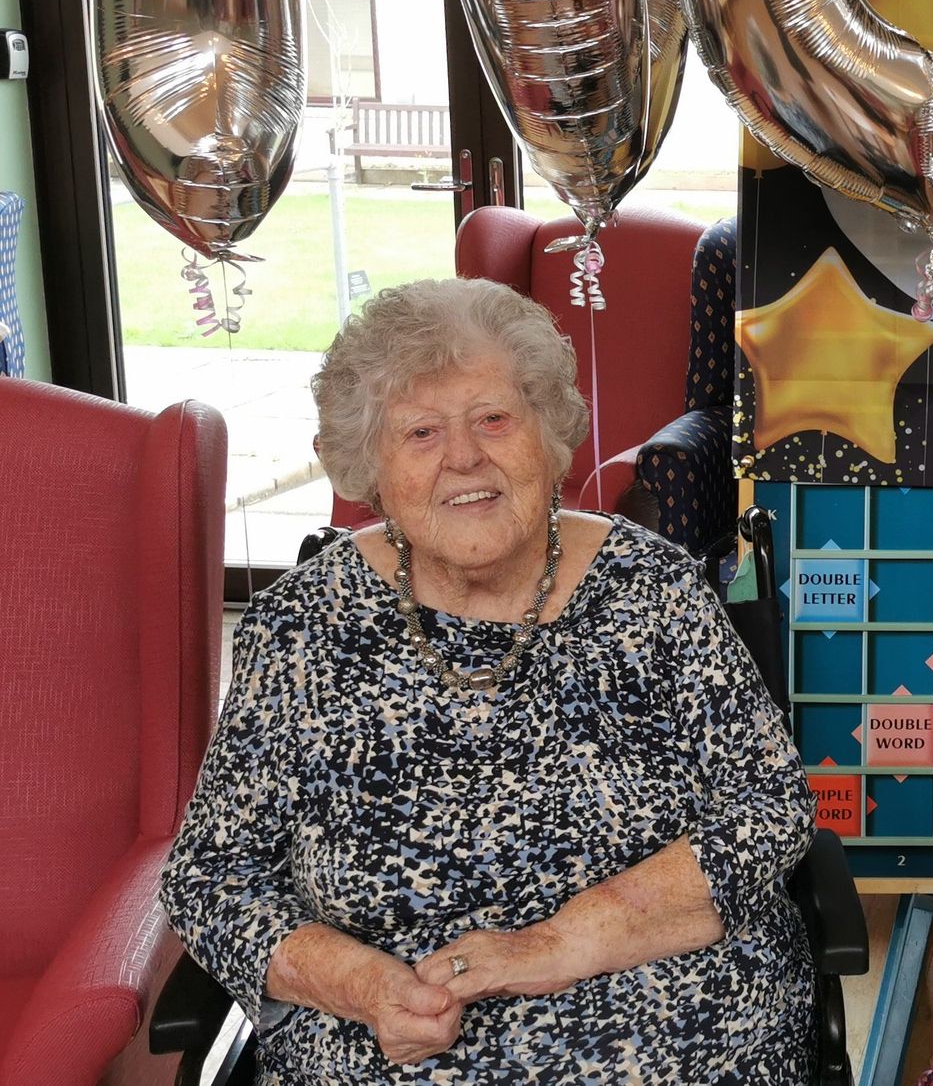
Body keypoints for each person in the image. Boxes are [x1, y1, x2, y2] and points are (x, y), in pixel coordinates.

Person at [162, 278, 816, 1082]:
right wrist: (368, 988)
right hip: (396, 1044)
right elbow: (211, 877)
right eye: (422, 432)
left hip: (677, 1022)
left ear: (548, 436)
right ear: (371, 469)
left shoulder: (654, 592)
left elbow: (769, 806)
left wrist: (555, 946)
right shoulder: (301, 629)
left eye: (494, 420)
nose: (464, 457)